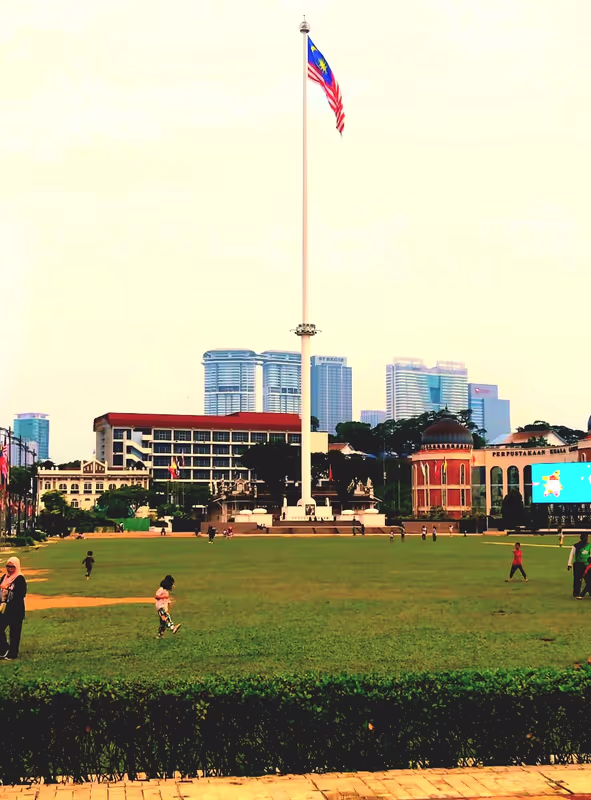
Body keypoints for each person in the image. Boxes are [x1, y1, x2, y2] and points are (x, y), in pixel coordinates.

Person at [0, 557, 27, 660]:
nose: (9, 569)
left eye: (12, 567)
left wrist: (9, 592)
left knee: (14, 633)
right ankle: (4, 649)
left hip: (16, 610)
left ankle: (13, 653)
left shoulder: (19, 578)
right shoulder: (4, 577)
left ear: (16, 567)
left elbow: (22, 594)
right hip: (3, 609)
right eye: (8, 566)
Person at [568, 533, 591, 598]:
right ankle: (576, 593)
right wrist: (569, 563)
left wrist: (569, 564)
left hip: (585, 565)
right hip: (580, 564)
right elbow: (572, 554)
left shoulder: (588, 545)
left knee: (587, 580)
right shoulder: (576, 546)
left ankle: (582, 592)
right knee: (578, 579)